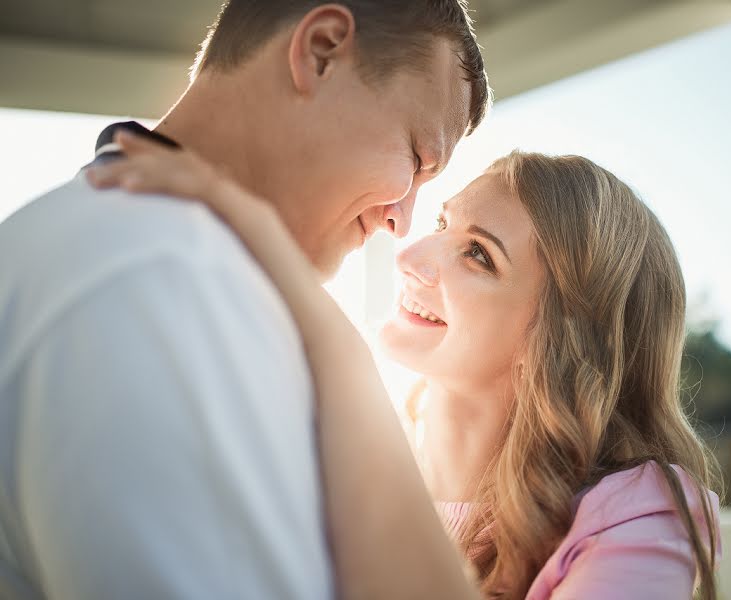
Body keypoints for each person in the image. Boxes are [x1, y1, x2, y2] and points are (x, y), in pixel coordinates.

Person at [87, 132, 724, 599]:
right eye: (444, 224)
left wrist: (318, 322)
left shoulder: (641, 511)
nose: (412, 254)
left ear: (560, 340)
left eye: (478, 255)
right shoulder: (322, 460)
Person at [0, 1, 489, 598]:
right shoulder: (165, 280)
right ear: (321, 52)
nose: (401, 221)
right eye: (415, 157)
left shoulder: (128, 253)